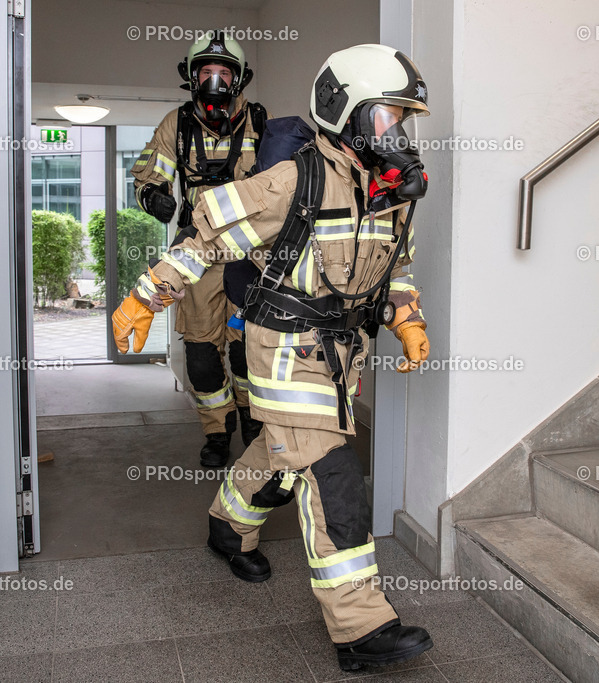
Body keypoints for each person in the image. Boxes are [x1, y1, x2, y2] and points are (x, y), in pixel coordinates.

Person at [113, 44, 433, 671]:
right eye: (386, 117)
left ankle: (227, 526)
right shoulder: (293, 180)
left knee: (280, 456)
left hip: (343, 352)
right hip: (285, 349)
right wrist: (145, 298)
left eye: (403, 120)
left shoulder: (391, 195)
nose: (397, 133)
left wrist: (408, 316)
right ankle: (361, 627)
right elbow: (204, 239)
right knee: (332, 475)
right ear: (345, 113)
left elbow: (396, 269)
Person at [126, 32, 266, 467]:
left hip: (251, 250)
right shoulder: (178, 124)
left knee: (249, 349)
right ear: (192, 77)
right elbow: (150, 173)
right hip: (198, 249)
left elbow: (284, 182)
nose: (216, 81)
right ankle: (217, 432)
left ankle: (253, 419)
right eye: (207, 71)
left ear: (239, 80)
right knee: (202, 355)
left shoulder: (261, 122)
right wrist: (153, 196)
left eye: (225, 73)